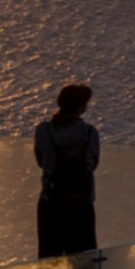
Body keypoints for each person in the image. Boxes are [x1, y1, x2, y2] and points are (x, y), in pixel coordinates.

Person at [34, 82, 100, 258]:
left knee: (49, 260)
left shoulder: (43, 131)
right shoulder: (90, 133)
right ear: (81, 108)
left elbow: (41, 161)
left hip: (51, 203)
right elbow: (92, 165)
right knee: (82, 264)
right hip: (82, 205)